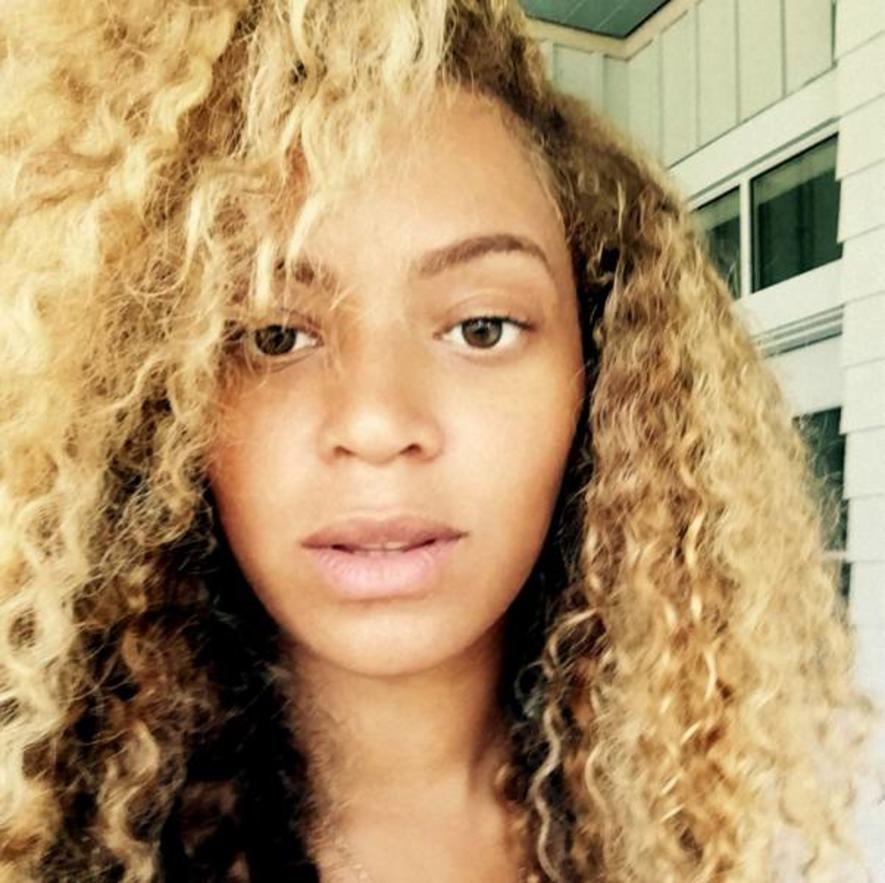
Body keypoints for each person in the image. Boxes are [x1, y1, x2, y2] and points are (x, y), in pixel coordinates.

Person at [0, 1, 878, 881]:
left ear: (604, 372)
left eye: (481, 327)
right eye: (275, 334)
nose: (377, 423)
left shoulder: (726, 825)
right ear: (152, 390)